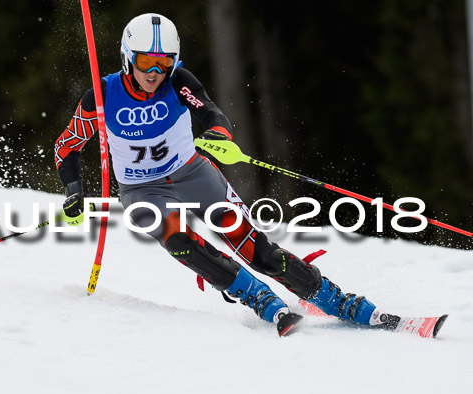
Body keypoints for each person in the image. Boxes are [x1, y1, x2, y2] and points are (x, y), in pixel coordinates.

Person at [54, 13, 392, 336]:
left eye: (165, 61)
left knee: (255, 248)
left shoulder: (178, 82)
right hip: (142, 190)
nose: (155, 71)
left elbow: (209, 111)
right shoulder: (101, 96)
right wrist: (73, 191)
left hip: (192, 173)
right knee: (178, 238)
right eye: (145, 62)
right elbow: (66, 147)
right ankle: (256, 296)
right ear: (128, 58)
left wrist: (219, 134)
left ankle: (336, 300)